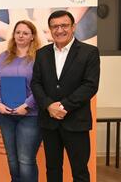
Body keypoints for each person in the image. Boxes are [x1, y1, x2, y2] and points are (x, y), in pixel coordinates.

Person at [31, 10, 100, 182]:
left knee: (80, 171)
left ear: (73, 27)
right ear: (50, 29)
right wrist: (48, 105)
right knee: (53, 170)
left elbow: (90, 85)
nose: (59, 30)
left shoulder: (89, 52)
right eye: (55, 26)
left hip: (76, 122)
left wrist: (63, 106)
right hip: (49, 122)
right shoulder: (42, 53)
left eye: (64, 25)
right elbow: (36, 83)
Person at [0, 20, 42, 182]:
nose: (21, 36)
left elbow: (42, 86)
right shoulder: (4, 57)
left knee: (25, 160)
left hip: (30, 115)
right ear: (13, 35)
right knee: (12, 160)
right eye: (18, 32)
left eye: (25, 33)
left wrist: (27, 105)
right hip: (6, 115)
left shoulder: (39, 58)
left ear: (32, 37)